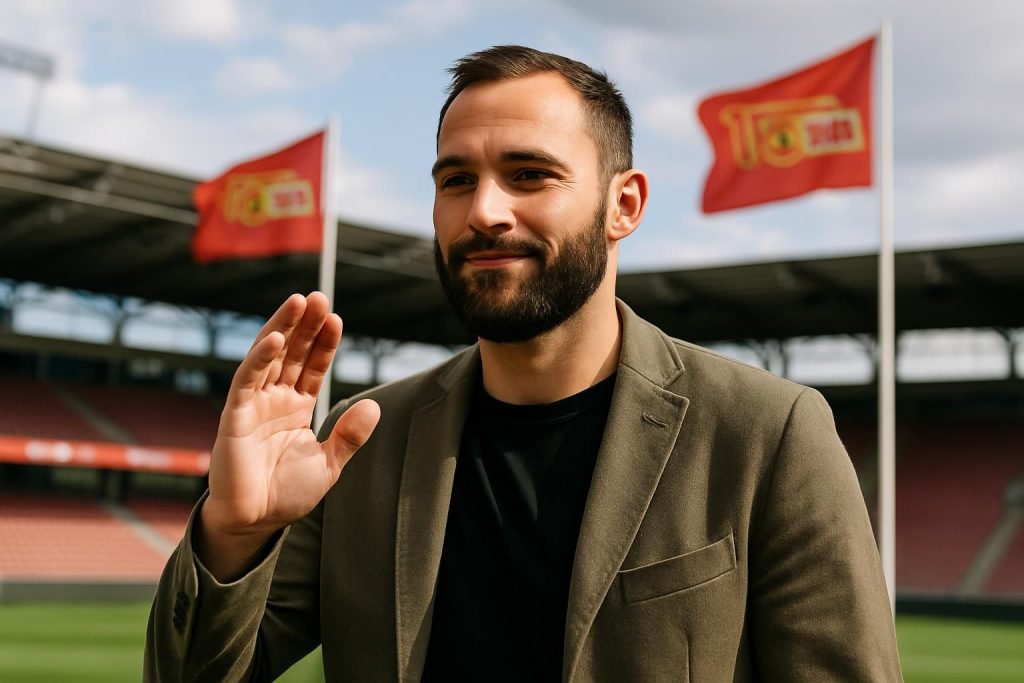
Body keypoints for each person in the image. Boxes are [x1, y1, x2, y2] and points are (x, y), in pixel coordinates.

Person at [145, 46, 902, 681]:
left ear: (624, 205)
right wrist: (234, 534)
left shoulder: (767, 432)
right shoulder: (364, 439)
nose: (485, 211)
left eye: (530, 174)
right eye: (456, 180)